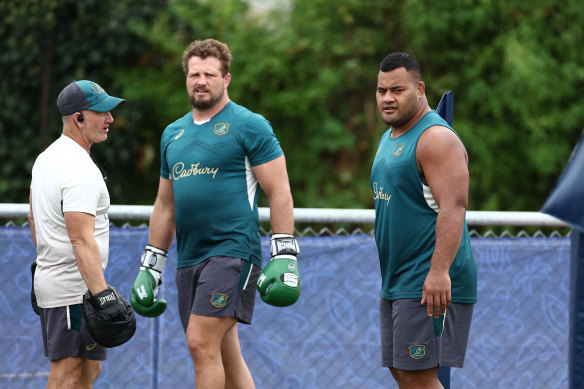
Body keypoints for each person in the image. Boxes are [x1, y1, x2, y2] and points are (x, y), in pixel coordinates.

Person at [130, 38, 300, 389]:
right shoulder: (172, 134)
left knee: (200, 342)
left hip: (233, 252)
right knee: (224, 352)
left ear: (227, 79)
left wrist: (284, 252)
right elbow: (165, 206)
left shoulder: (249, 125)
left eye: (209, 74)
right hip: (189, 258)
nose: (201, 81)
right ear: (186, 78)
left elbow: (279, 190)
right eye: (194, 74)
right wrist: (151, 266)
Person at [370, 52, 477, 389]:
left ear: (419, 88)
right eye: (381, 90)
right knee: (402, 372)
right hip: (399, 278)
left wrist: (439, 272)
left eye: (397, 90)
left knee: (417, 377)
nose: (388, 98)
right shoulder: (390, 136)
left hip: (427, 280)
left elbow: (454, 208)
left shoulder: (436, 139)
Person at [29, 80, 126, 388]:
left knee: (88, 371)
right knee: (68, 373)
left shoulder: (47, 158)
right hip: (74, 289)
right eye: (102, 112)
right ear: (79, 118)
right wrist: (102, 295)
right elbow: (80, 238)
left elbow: (34, 217)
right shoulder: (79, 169)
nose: (110, 119)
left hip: (63, 282)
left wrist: (47, 260)